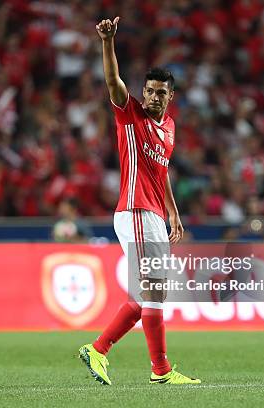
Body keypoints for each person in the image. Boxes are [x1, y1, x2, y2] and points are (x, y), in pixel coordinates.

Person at [78, 17, 200, 385]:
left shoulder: (170, 129)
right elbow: (113, 82)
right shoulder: (129, 114)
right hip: (133, 211)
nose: (152, 96)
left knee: (150, 291)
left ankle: (97, 350)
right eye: (148, 90)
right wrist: (107, 42)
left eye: (160, 92)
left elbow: (160, 175)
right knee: (153, 290)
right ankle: (160, 370)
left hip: (154, 216)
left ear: (170, 97)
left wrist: (173, 215)